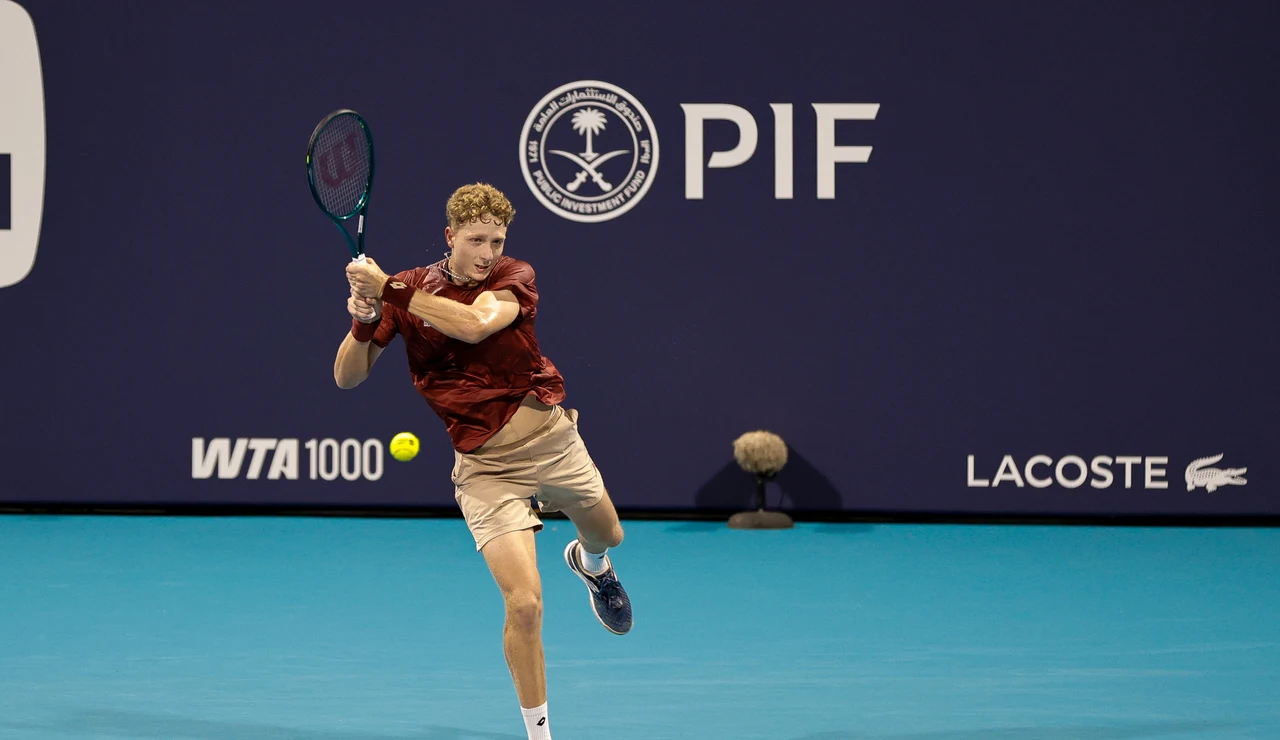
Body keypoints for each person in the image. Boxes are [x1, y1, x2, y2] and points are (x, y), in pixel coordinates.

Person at [334, 182, 631, 740]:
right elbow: (347, 376)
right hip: (484, 470)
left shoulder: (514, 277)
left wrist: (388, 289)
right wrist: (365, 316)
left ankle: (592, 565)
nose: (488, 252)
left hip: (552, 444)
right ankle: (539, 735)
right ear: (450, 238)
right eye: (476, 240)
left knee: (609, 533)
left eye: (496, 240)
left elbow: (473, 324)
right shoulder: (411, 291)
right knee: (524, 604)